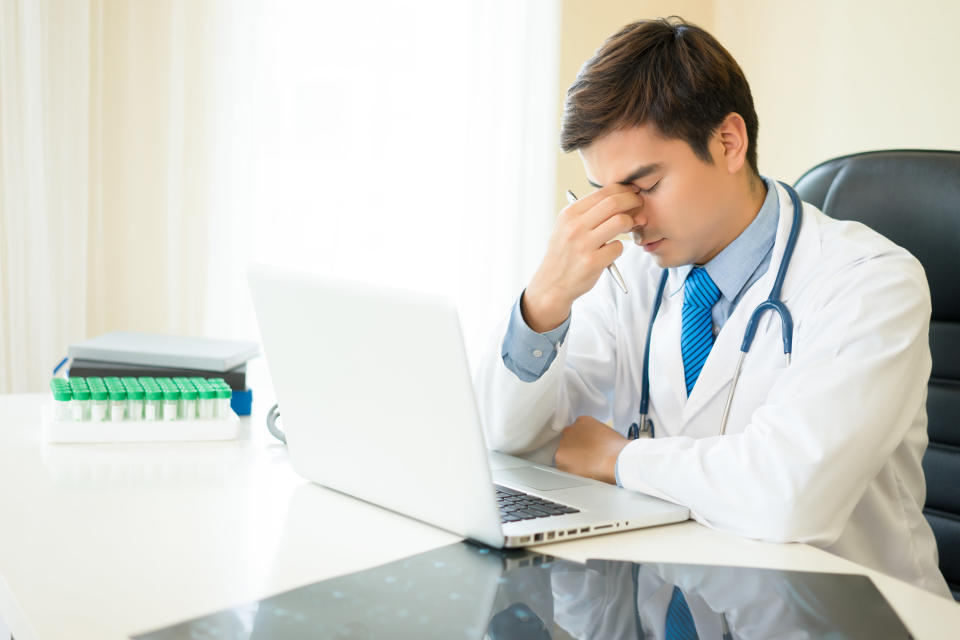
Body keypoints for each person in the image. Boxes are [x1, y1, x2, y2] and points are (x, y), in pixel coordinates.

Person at [473, 16, 950, 597]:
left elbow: (787, 497)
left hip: (844, 610)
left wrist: (623, 459)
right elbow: (515, 442)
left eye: (643, 186)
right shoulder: (628, 276)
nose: (627, 220)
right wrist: (543, 301)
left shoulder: (870, 282)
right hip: (678, 592)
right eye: (605, 193)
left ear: (729, 141)